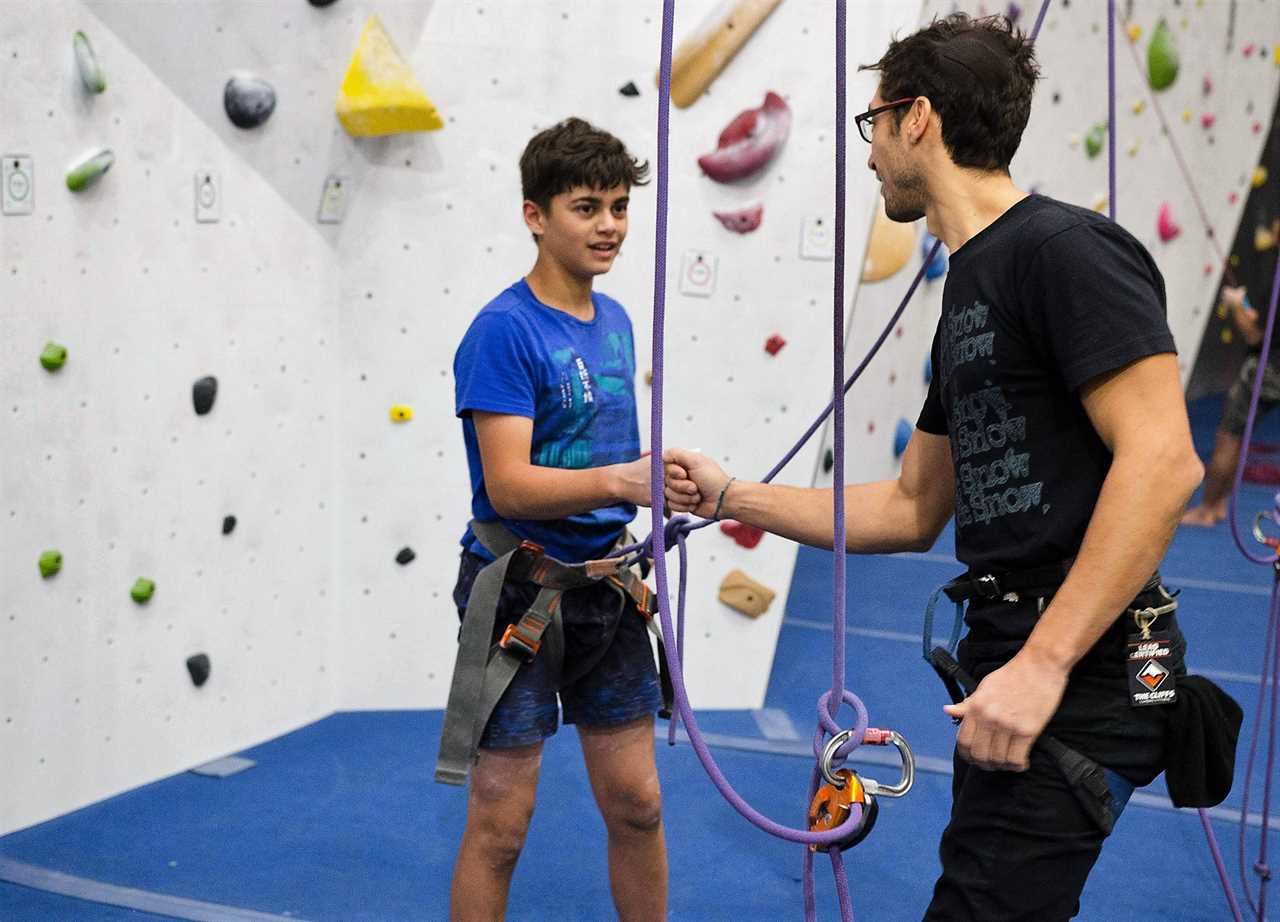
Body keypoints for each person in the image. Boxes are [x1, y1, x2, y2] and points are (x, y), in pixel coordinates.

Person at [664, 14, 1204, 921]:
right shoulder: (971, 283)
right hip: (1016, 663)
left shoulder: (1064, 251)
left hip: (1079, 670)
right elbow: (914, 507)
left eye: (871, 123)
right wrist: (729, 495)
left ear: (916, 118)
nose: (868, 152)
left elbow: (1163, 461)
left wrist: (1043, 663)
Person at [447, 117, 666, 922]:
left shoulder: (613, 320)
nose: (609, 224)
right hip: (517, 594)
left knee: (639, 804)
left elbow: (610, 462)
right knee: (502, 826)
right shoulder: (503, 331)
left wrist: (646, 483)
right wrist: (622, 479)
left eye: (617, 205)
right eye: (585, 207)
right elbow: (507, 486)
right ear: (535, 215)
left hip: (606, 589)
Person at [1182, 219, 1280, 527]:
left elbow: (1255, 337)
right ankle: (1221, 502)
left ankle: (1208, 508)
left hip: (1270, 367)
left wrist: (1236, 306)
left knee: (1230, 436)